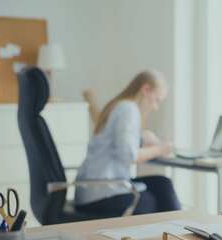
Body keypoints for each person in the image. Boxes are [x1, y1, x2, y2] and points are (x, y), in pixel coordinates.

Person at [75, 71, 181, 216]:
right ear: (146, 90)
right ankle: (180, 231)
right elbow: (129, 155)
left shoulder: (117, 105)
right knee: (153, 200)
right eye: (156, 100)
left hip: (92, 190)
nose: (155, 107)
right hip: (100, 194)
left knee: (162, 184)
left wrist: (142, 138)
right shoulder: (129, 109)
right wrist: (161, 149)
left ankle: (177, 231)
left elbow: (114, 142)